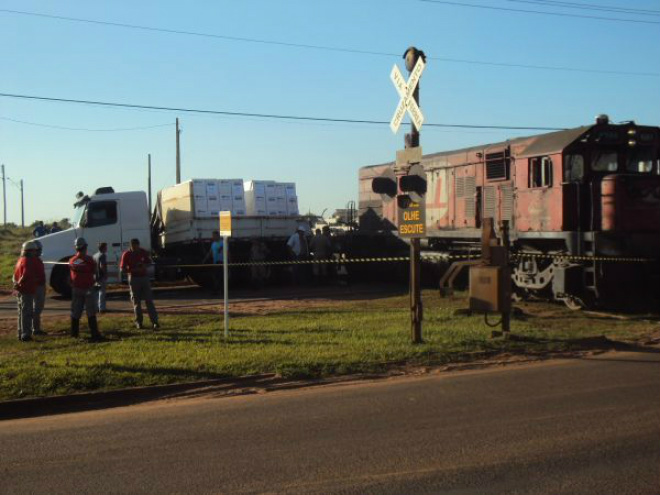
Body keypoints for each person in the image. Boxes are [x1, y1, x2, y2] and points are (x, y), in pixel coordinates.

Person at [120, 238, 159, 330]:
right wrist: (132, 270)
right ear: (131, 246)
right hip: (134, 278)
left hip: (144, 278)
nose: (136, 248)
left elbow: (149, 263)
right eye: (134, 247)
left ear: (138, 245)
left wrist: (144, 266)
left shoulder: (143, 252)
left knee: (149, 300)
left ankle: (155, 322)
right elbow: (122, 269)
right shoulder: (126, 254)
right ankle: (139, 322)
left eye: (137, 246)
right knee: (136, 302)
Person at [69, 237, 102, 341]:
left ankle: (74, 334)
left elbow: (75, 266)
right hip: (88, 289)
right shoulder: (89, 260)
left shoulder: (72, 260)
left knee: (76, 311)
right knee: (91, 311)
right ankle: (94, 333)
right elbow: (93, 269)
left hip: (76, 289)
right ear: (85, 247)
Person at [13, 241, 42, 342]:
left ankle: (20, 332)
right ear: (30, 251)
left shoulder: (20, 260)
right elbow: (26, 274)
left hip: (21, 290)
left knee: (21, 312)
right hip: (27, 290)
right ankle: (26, 334)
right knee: (27, 312)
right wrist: (20, 283)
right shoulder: (28, 261)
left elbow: (15, 276)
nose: (35, 252)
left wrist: (16, 284)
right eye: (34, 250)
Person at [32, 240, 47, 336]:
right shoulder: (33, 261)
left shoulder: (37, 260)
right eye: (39, 249)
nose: (40, 251)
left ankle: (35, 328)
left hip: (39, 286)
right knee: (37, 309)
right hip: (37, 287)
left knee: (37, 308)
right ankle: (36, 329)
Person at [93, 242, 109, 312]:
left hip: (95, 276)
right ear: (103, 248)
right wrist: (105, 274)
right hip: (101, 275)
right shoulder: (103, 255)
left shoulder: (95, 255)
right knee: (102, 292)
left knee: (96, 293)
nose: (106, 248)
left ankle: (95, 307)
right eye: (106, 247)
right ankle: (102, 308)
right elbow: (102, 266)